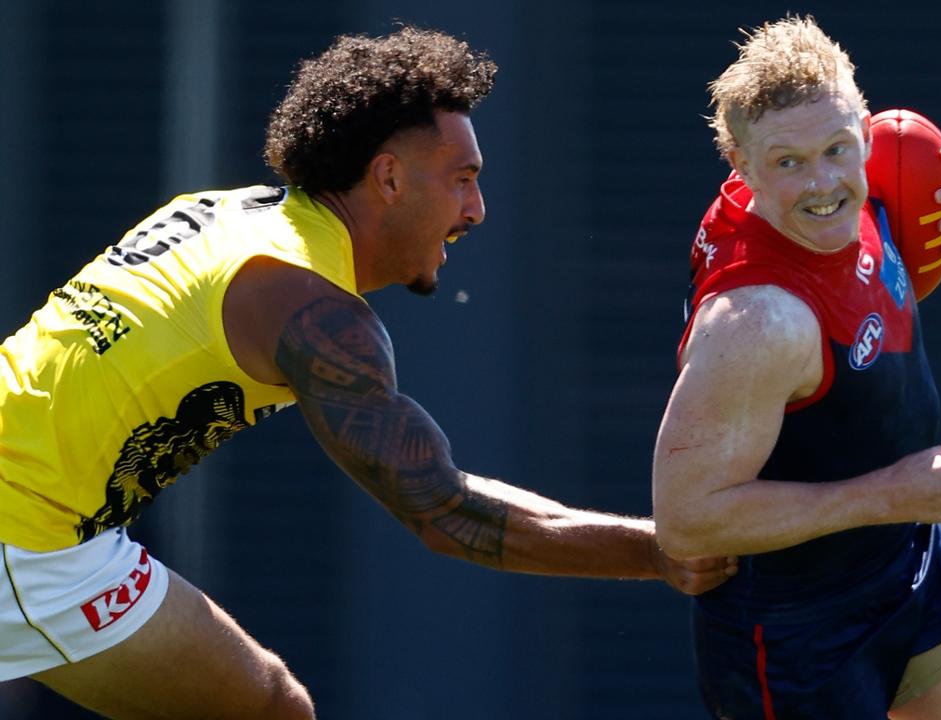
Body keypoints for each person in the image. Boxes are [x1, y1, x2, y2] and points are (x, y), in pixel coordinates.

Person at [0, 26, 735, 718]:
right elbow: (446, 514)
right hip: (27, 535)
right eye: (463, 179)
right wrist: (661, 552)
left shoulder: (221, 212)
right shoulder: (315, 309)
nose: (476, 210)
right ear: (387, 177)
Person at [651, 16, 941, 719]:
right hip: (793, 637)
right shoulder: (757, 322)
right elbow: (685, 522)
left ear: (866, 129)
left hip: (909, 563)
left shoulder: (888, 164)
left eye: (838, 149)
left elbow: (882, 264)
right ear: (741, 165)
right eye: (787, 163)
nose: (822, 184)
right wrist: (893, 494)